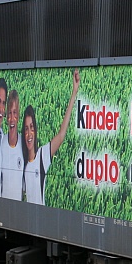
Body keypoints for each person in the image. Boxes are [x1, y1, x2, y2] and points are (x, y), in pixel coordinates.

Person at [23, 70, 80, 205]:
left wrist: (74, 93)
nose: (29, 134)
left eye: (32, 128)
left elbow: (61, 135)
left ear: (35, 131)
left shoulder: (42, 156)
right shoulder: (21, 162)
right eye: (26, 129)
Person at [0, 89, 24, 200]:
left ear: (18, 116)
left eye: (14, 113)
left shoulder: (24, 145)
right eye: (9, 113)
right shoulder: (1, 143)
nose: (12, 118)